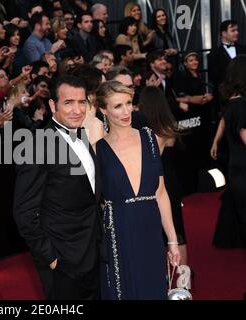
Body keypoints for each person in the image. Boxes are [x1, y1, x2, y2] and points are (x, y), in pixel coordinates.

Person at [13, 75, 103, 300]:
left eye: (82, 102)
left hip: (93, 251)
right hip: (62, 260)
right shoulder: (36, 144)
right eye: (68, 102)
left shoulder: (81, 136)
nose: (77, 110)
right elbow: (23, 212)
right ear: (52, 105)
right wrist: (50, 257)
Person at [95, 81, 180, 299]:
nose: (126, 111)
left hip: (150, 227)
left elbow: (160, 193)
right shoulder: (98, 149)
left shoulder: (150, 138)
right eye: (117, 106)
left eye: (128, 103)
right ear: (103, 110)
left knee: (153, 287)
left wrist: (172, 240)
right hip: (119, 230)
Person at [135, 86, 189, 266]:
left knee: (156, 229)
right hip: (170, 180)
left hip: (154, 182)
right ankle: (184, 280)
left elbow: (152, 157)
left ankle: (164, 276)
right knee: (176, 229)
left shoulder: (141, 129)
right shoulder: (168, 124)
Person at [213, 55, 246, 248]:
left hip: (235, 162)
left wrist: (215, 142)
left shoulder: (231, 102)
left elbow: (224, 121)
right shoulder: (243, 104)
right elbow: (244, 133)